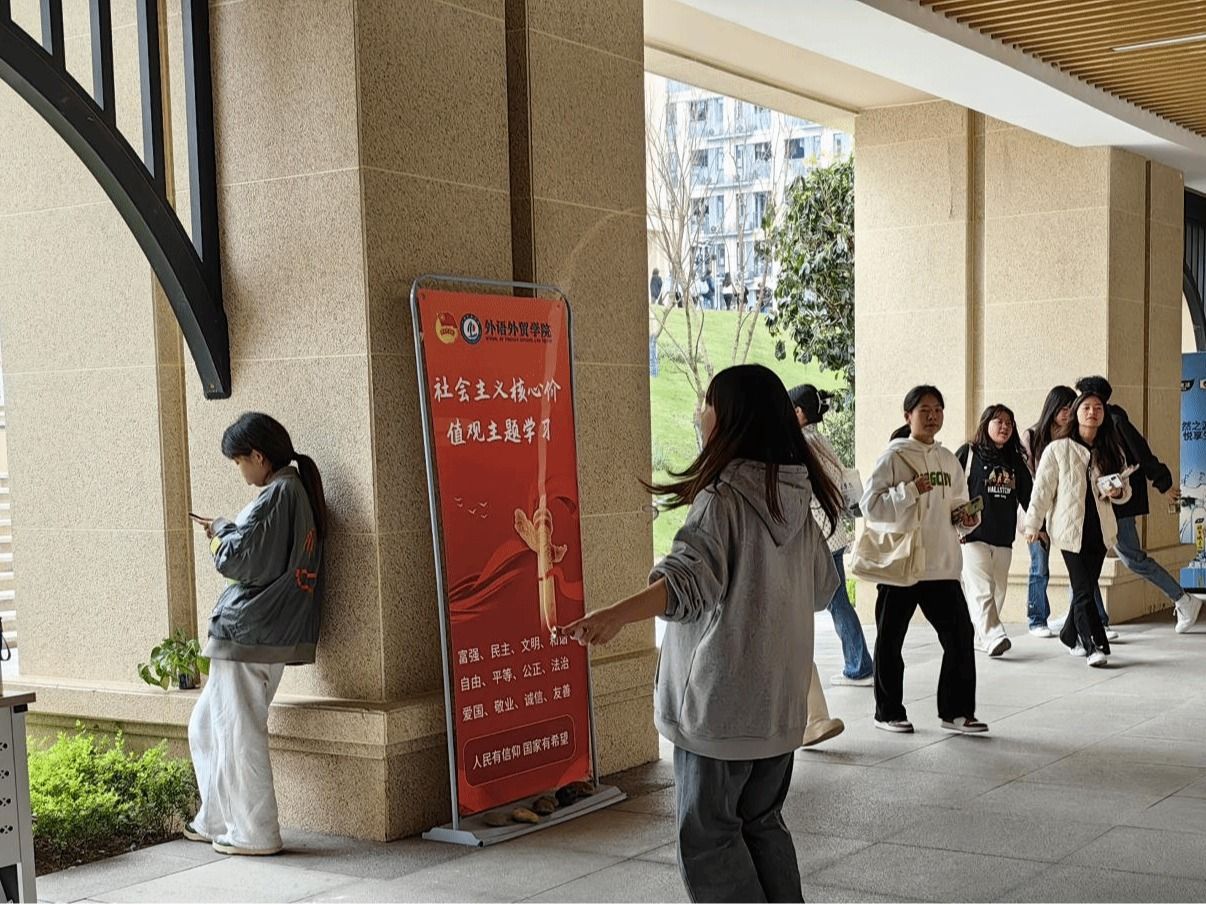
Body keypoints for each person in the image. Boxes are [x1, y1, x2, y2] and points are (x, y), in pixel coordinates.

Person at [559, 364, 844, 903]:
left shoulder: (724, 497)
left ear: (731, 416)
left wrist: (615, 614)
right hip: (779, 711)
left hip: (720, 709)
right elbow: (821, 590)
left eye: (709, 404)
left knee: (710, 839)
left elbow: (686, 584)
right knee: (762, 824)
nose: (701, 414)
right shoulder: (795, 497)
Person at [186, 413, 327, 856]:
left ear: (259, 457)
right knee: (207, 726)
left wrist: (220, 532)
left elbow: (238, 559)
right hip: (261, 632)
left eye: (239, 462)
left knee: (238, 733)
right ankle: (215, 819)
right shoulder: (293, 491)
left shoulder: (279, 494)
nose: (240, 471)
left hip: (251, 633)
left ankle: (255, 832)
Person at [863, 386, 986, 735]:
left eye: (937, 410)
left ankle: (957, 712)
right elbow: (870, 506)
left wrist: (967, 518)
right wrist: (910, 490)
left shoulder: (948, 459)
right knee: (890, 640)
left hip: (942, 564)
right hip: (902, 565)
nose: (932, 416)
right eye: (924, 410)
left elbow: (957, 505)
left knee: (960, 635)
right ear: (908, 416)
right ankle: (888, 712)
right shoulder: (893, 456)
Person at [1075, 375, 1202, 633]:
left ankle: (1183, 599)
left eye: (1091, 403)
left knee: (1132, 558)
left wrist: (1163, 483)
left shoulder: (1115, 420)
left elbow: (1141, 451)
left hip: (1119, 502)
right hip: (1096, 503)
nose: (1088, 409)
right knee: (1082, 557)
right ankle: (1085, 616)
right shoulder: (1091, 425)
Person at [1024, 391, 1130, 667]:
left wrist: (1118, 491)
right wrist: (1033, 525)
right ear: (1076, 412)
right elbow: (1042, 490)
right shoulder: (1058, 449)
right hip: (1070, 531)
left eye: (1098, 408)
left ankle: (1069, 634)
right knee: (1083, 589)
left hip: (1100, 530)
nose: (1092, 412)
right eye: (1086, 407)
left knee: (1085, 587)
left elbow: (1125, 490)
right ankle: (1092, 645)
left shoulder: (1110, 449)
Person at [789, 384, 873, 688]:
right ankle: (859, 663)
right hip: (832, 532)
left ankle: (858, 665)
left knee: (831, 602)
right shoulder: (819, 440)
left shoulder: (801, 444)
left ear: (799, 412)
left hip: (817, 534)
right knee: (836, 601)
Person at [956, 404, 1032, 657]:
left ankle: (981, 637)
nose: (1004, 427)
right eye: (998, 421)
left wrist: (1038, 526)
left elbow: (1029, 496)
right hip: (972, 535)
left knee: (998, 590)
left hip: (1003, 537)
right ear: (985, 423)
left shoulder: (1014, 461)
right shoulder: (969, 453)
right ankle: (994, 635)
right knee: (981, 589)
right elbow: (950, 489)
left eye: (1009, 423)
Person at [1020, 386, 1076, 637]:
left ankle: (1080, 618)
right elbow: (1029, 480)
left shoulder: (1074, 437)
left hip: (1065, 510)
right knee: (1039, 566)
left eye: (1071, 409)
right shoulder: (1032, 436)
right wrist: (1037, 521)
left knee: (1078, 567)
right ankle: (1037, 619)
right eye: (1063, 408)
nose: (1067, 414)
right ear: (1052, 408)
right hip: (1038, 509)